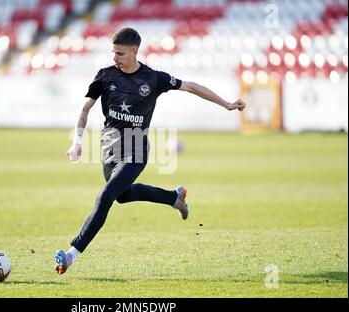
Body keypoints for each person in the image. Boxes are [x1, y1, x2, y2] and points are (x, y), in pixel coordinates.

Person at [54, 27, 246, 275]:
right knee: (122, 195)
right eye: (113, 52)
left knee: (105, 197)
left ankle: (71, 255)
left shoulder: (153, 78)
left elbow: (191, 87)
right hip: (109, 148)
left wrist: (227, 104)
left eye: (120, 53)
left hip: (136, 148)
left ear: (134, 52)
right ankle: (174, 198)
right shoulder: (105, 75)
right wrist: (77, 141)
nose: (115, 58)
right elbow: (85, 109)